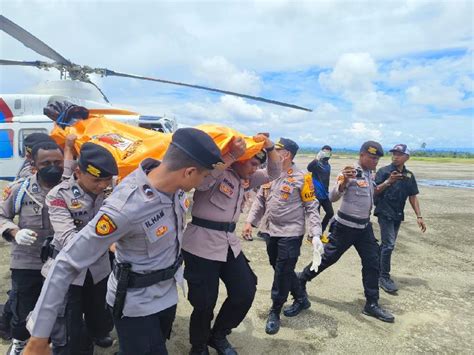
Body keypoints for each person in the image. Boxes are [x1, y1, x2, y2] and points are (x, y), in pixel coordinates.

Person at [23, 128, 223, 355]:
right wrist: (39, 335)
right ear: (189, 172)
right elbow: (66, 262)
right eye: (204, 176)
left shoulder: (173, 186)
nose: (204, 181)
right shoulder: (126, 207)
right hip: (136, 305)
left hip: (167, 293)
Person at [182, 134, 280, 355]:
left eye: (258, 164)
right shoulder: (216, 172)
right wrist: (231, 154)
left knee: (245, 289)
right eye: (253, 163)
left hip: (228, 243)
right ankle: (198, 346)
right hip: (201, 243)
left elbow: (274, 172)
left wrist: (270, 146)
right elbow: (203, 180)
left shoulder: (245, 178)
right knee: (204, 302)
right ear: (240, 159)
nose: (256, 169)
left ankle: (218, 335)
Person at [297, 141, 395, 323]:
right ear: (362, 155)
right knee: (328, 258)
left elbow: (372, 192)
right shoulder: (349, 172)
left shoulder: (369, 173)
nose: (375, 161)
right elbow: (333, 196)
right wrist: (344, 183)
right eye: (372, 157)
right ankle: (301, 278)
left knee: (372, 263)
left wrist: (389, 182)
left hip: (364, 228)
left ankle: (372, 304)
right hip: (345, 227)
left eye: (377, 158)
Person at [243, 138, 323, 335]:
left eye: (276, 151)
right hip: (270, 231)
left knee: (281, 272)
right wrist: (250, 222)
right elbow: (260, 200)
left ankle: (275, 311)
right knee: (281, 268)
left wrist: (315, 234)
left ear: (286, 154)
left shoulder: (302, 177)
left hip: (291, 232)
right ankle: (302, 298)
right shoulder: (269, 174)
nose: (272, 154)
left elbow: (311, 207)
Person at [44, 142, 118, 354]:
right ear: (78, 172)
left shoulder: (112, 193)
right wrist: (108, 243)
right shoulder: (59, 195)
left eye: (107, 179)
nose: (102, 185)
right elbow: (68, 238)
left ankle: (97, 332)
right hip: (70, 270)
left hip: (99, 269)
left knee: (99, 312)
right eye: (96, 180)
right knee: (68, 325)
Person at [0, 141, 64, 354]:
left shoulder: (72, 189)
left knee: (59, 307)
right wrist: (15, 232)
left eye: (58, 162)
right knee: (23, 306)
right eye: (46, 163)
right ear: (33, 164)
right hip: (27, 260)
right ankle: (19, 342)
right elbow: (1, 215)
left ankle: (50, 344)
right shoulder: (20, 190)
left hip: (61, 261)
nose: (53, 166)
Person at [374, 144, 427, 294]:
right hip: (384, 212)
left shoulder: (409, 175)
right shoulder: (384, 172)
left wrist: (419, 216)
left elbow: (412, 196)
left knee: (386, 244)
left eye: (399, 154)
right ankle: (383, 277)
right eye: (394, 153)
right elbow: (374, 192)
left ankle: (375, 266)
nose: (395, 156)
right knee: (389, 245)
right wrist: (388, 181)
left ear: (406, 157)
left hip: (397, 213)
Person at [307, 145, 334, 235]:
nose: (326, 154)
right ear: (321, 152)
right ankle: (313, 235)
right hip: (316, 194)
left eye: (328, 152)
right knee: (316, 216)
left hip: (325, 194)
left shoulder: (328, 165)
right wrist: (316, 158)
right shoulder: (317, 164)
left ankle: (320, 231)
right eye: (324, 152)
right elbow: (309, 168)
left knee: (330, 213)